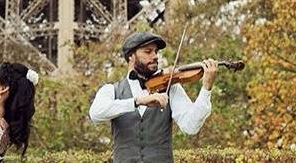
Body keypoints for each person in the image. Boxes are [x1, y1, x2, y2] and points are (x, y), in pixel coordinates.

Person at [89, 31, 218, 163]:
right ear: (131, 56)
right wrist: (137, 101)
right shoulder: (111, 90)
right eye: (148, 51)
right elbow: (95, 114)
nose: (155, 56)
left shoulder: (170, 87)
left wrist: (206, 89)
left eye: (156, 52)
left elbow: (191, 127)